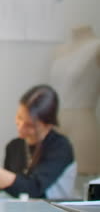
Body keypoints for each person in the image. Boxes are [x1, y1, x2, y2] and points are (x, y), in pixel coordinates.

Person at [0, 85, 76, 199]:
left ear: (48, 125)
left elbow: (33, 189)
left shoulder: (60, 147)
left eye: (30, 125)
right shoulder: (14, 146)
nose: (21, 128)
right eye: (19, 117)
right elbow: (10, 189)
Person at [49, 25, 100, 175]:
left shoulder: (96, 47)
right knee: (54, 179)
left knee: (83, 178)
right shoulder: (59, 50)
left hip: (82, 123)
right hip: (55, 122)